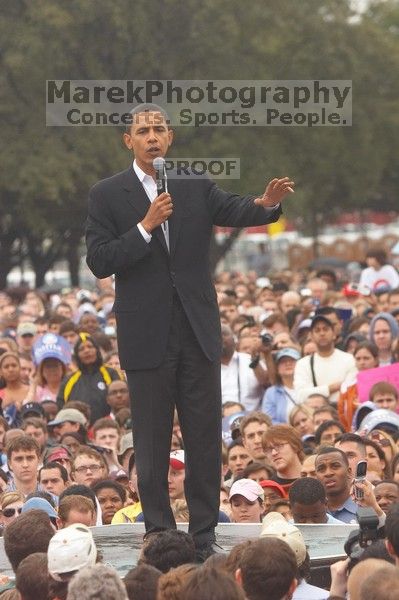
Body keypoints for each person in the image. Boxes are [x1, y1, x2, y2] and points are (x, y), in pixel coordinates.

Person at [85, 105, 293, 558]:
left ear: (170, 137)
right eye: (143, 130)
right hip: (146, 335)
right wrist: (145, 226)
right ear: (129, 140)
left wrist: (268, 203)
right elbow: (99, 259)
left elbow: (240, 209)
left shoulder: (195, 185)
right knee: (152, 438)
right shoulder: (106, 195)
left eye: (159, 129)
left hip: (197, 330)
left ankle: (203, 532)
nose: (152, 137)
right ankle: (158, 531)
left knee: (202, 435)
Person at [293, 314, 357, 405]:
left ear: (334, 334)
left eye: (325, 329)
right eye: (317, 330)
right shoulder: (303, 364)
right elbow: (301, 396)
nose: (322, 333)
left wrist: (315, 391)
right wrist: (331, 388)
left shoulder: (349, 359)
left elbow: (350, 391)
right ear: (311, 336)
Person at [261, 348, 301, 424]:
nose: (288, 364)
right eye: (283, 362)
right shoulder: (271, 393)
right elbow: (268, 420)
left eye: (292, 360)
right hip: (285, 434)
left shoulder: (309, 385)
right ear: (277, 368)